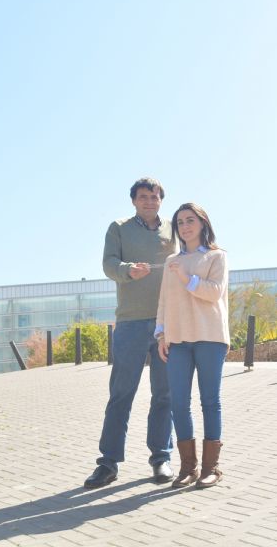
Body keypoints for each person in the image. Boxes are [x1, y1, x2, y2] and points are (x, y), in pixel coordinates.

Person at [84, 177, 177, 489]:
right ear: (134, 201)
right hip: (130, 323)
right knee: (121, 394)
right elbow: (109, 263)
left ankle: (161, 459)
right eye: (143, 197)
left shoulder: (173, 229)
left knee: (164, 394)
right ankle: (108, 463)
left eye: (154, 196)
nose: (149, 201)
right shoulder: (118, 228)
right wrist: (127, 270)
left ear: (161, 200)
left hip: (166, 324)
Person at [156, 203, 229, 489]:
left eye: (190, 220)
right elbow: (163, 301)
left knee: (210, 401)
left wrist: (186, 278)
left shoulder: (217, 256)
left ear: (202, 223)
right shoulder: (171, 261)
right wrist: (161, 335)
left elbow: (214, 292)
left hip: (210, 337)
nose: (185, 226)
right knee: (178, 403)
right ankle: (188, 467)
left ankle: (211, 468)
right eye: (180, 222)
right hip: (178, 340)